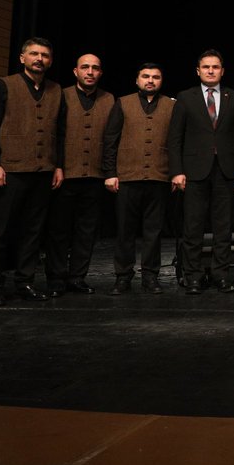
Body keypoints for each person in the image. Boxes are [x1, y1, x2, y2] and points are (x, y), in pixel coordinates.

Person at [0, 37, 62, 304]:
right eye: (34, 54)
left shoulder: (55, 89)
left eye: (45, 55)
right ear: (22, 58)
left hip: (42, 170)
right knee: (1, 230)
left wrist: (58, 165)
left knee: (33, 231)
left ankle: (24, 281)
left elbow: (59, 132)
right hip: (11, 169)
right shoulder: (4, 85)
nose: (39, 59)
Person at [167, 49, 234, 295]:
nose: (210, 71)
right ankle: (193, 276)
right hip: (194, 171)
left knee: (223, 227)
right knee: (193, 226)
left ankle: (221, 275)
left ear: (222, 71)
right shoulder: (185, 97)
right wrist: (177, 171)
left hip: (225, 169)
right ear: (198, 71)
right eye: (206, 67)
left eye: (215, 67)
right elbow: (175, 138)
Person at [44, 53, 113, 297]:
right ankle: (56, 278)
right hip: (66, 174)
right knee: (59, 230)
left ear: (100, 73)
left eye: (95, 68)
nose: (90, 72)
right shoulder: (61, 95)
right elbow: (52, 133)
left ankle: (77, 277)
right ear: (76, 71)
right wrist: (57, 165)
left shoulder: (108, 99)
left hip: (95, 175)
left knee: (86, 231)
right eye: (85, 67)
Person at [102, 63, 175, 295]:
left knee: (154, 231)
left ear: (161, 81)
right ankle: (123, 276)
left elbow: (176, 142)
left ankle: (150, 276)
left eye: (155, 77)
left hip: (159, 176)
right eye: (146, 76)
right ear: (137, 80)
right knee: (125, 230)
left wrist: (175, 173)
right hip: (127, 177)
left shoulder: (171, 105)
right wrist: (110, 173)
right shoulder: (123, 103)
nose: (150, 80)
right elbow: (110, 140)